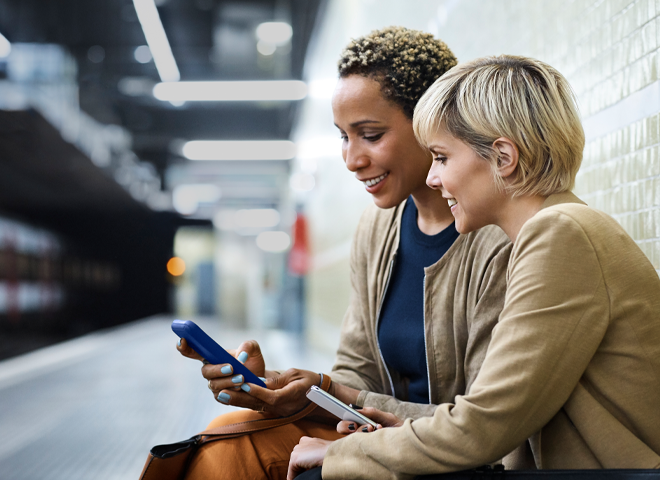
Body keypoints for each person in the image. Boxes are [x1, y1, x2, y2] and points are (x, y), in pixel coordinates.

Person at [287, 55, 660, 480]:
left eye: (442, 158)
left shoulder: (561, 234)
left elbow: (485, 426)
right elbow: (496, 418)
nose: (432, 179)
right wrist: (400, 428)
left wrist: (344, 456)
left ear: (503, 158)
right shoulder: (556, 231)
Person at [178, 27, 512, 480]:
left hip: (456, 458)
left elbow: (484, 424)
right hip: (383, 436)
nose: (352, 159)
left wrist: (340, 395)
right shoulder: (377, 229)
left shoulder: (499, 238)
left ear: (431, 123)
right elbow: (355, 374)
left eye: (370, 135)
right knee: (228, 436)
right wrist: (283, 388)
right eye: (343, 137)